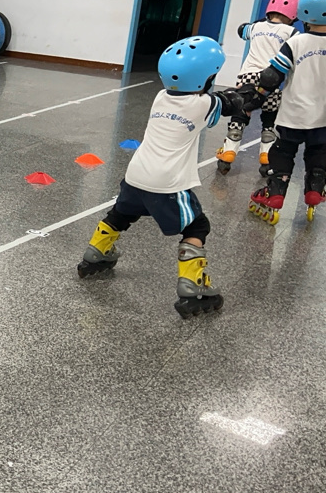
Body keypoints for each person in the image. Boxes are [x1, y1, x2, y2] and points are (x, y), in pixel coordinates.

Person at [76, 36, 256, 319]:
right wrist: (255, 91)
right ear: (205, 78)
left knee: (122, 213)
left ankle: (96, 252)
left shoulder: (161, 97)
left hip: (136, 175)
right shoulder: (203, 104)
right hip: (167, 183)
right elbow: (232, 103)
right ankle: (192, 286)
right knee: (197, 226)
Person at [246, 0, 326, 224]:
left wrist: (256, 98)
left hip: (293, 115)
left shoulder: (296, 42)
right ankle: (315, 188)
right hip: (322, 118)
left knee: (282, 151)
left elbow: (272, 77)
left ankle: (275, 192)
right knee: (319, 151)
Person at [215, 0, 300, 176]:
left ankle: (228, 154)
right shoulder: (292, 32)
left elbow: (241, 30)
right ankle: (266, 158)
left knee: (240, 113)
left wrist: (263, 21)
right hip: (272, 79)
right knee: (269, 119)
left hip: (247, 77)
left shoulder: (255, 27)